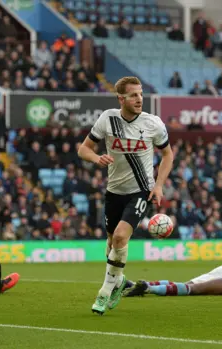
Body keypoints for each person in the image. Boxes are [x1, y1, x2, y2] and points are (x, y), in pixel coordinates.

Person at [78, 76, 174, 315]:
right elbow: (83, 149)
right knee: (112, 245)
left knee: (121, 237)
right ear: (121, 98)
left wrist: (159, 186)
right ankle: (119, 281)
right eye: (133, 95)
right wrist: (96, 158)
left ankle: (104, 293)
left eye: (140, 94)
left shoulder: (153, 124)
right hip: (114, 191)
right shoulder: (108, 119)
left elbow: (168, 155)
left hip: (141, 191)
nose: (139, 99)